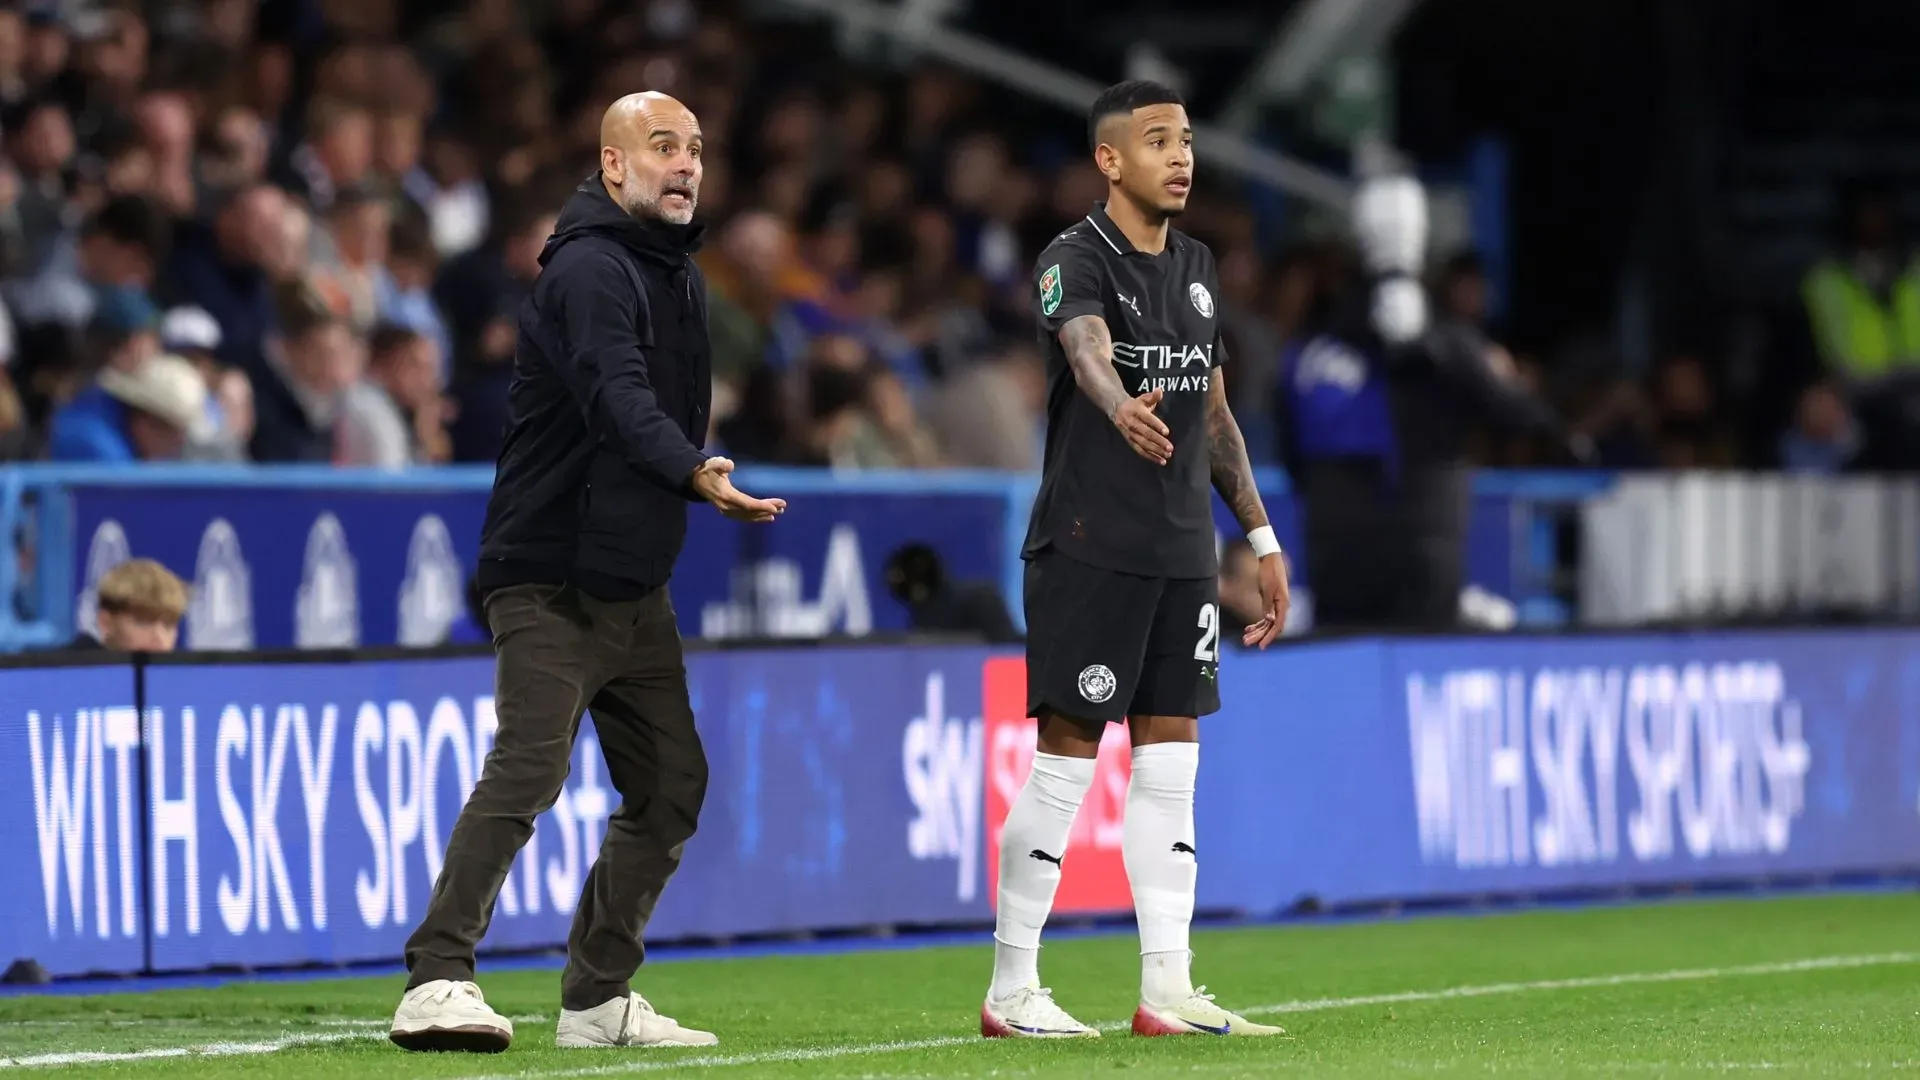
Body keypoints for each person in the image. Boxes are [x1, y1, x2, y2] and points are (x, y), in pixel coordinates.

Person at [389, 91, 785, 1055]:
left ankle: (596, 998)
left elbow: (659, 411)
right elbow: (619, 398)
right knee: (529, 768)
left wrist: (684, 471)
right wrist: (695, 469)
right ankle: (436, 977)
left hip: (630, 583)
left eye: (695, 147)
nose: (687, 163)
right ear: (614, 168)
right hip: (551, 571)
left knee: (671, 785)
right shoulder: (591, 270)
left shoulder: (675, 273)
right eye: (662, 147)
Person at [986, 80, 1289, 1041]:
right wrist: (1118, 404)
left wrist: (1261, 536)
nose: (1182, 156)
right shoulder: (1074, 259)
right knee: (1067, 766)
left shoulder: (1197, 266)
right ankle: (1011, 989)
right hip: (1089, 547)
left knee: (1170, 772)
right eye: (1159, 141)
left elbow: (1214, 415)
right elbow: (1083, 348)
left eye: (1188, 140)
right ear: (1110, 160)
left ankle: (1169, 987)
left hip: (1182, 558)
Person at [68, 557, 187, 651]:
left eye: (168, 625)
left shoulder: (184, 678)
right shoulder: (63, 672)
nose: (159, 638)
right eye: (144, 622)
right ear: (105, 623)